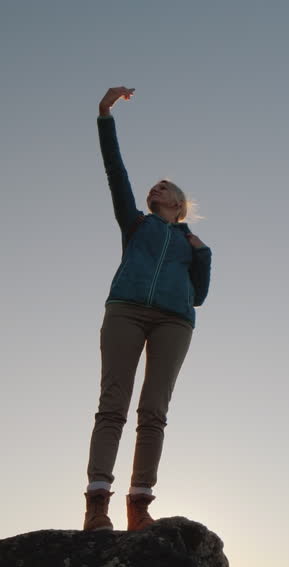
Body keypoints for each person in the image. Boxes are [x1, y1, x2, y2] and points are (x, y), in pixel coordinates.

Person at [84, 85, 212, 532]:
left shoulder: (191, 243)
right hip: (125, 310)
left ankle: (139, 505)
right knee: (112, 405)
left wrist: (202, 253)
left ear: (178, 204)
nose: (154, 186)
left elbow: (199, 295)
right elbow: (115, 171)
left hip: (175, 322)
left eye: (165, 185)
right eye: (153, 185)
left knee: (154, 412)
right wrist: (105, 115)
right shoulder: (135, 224)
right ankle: (97, 505)